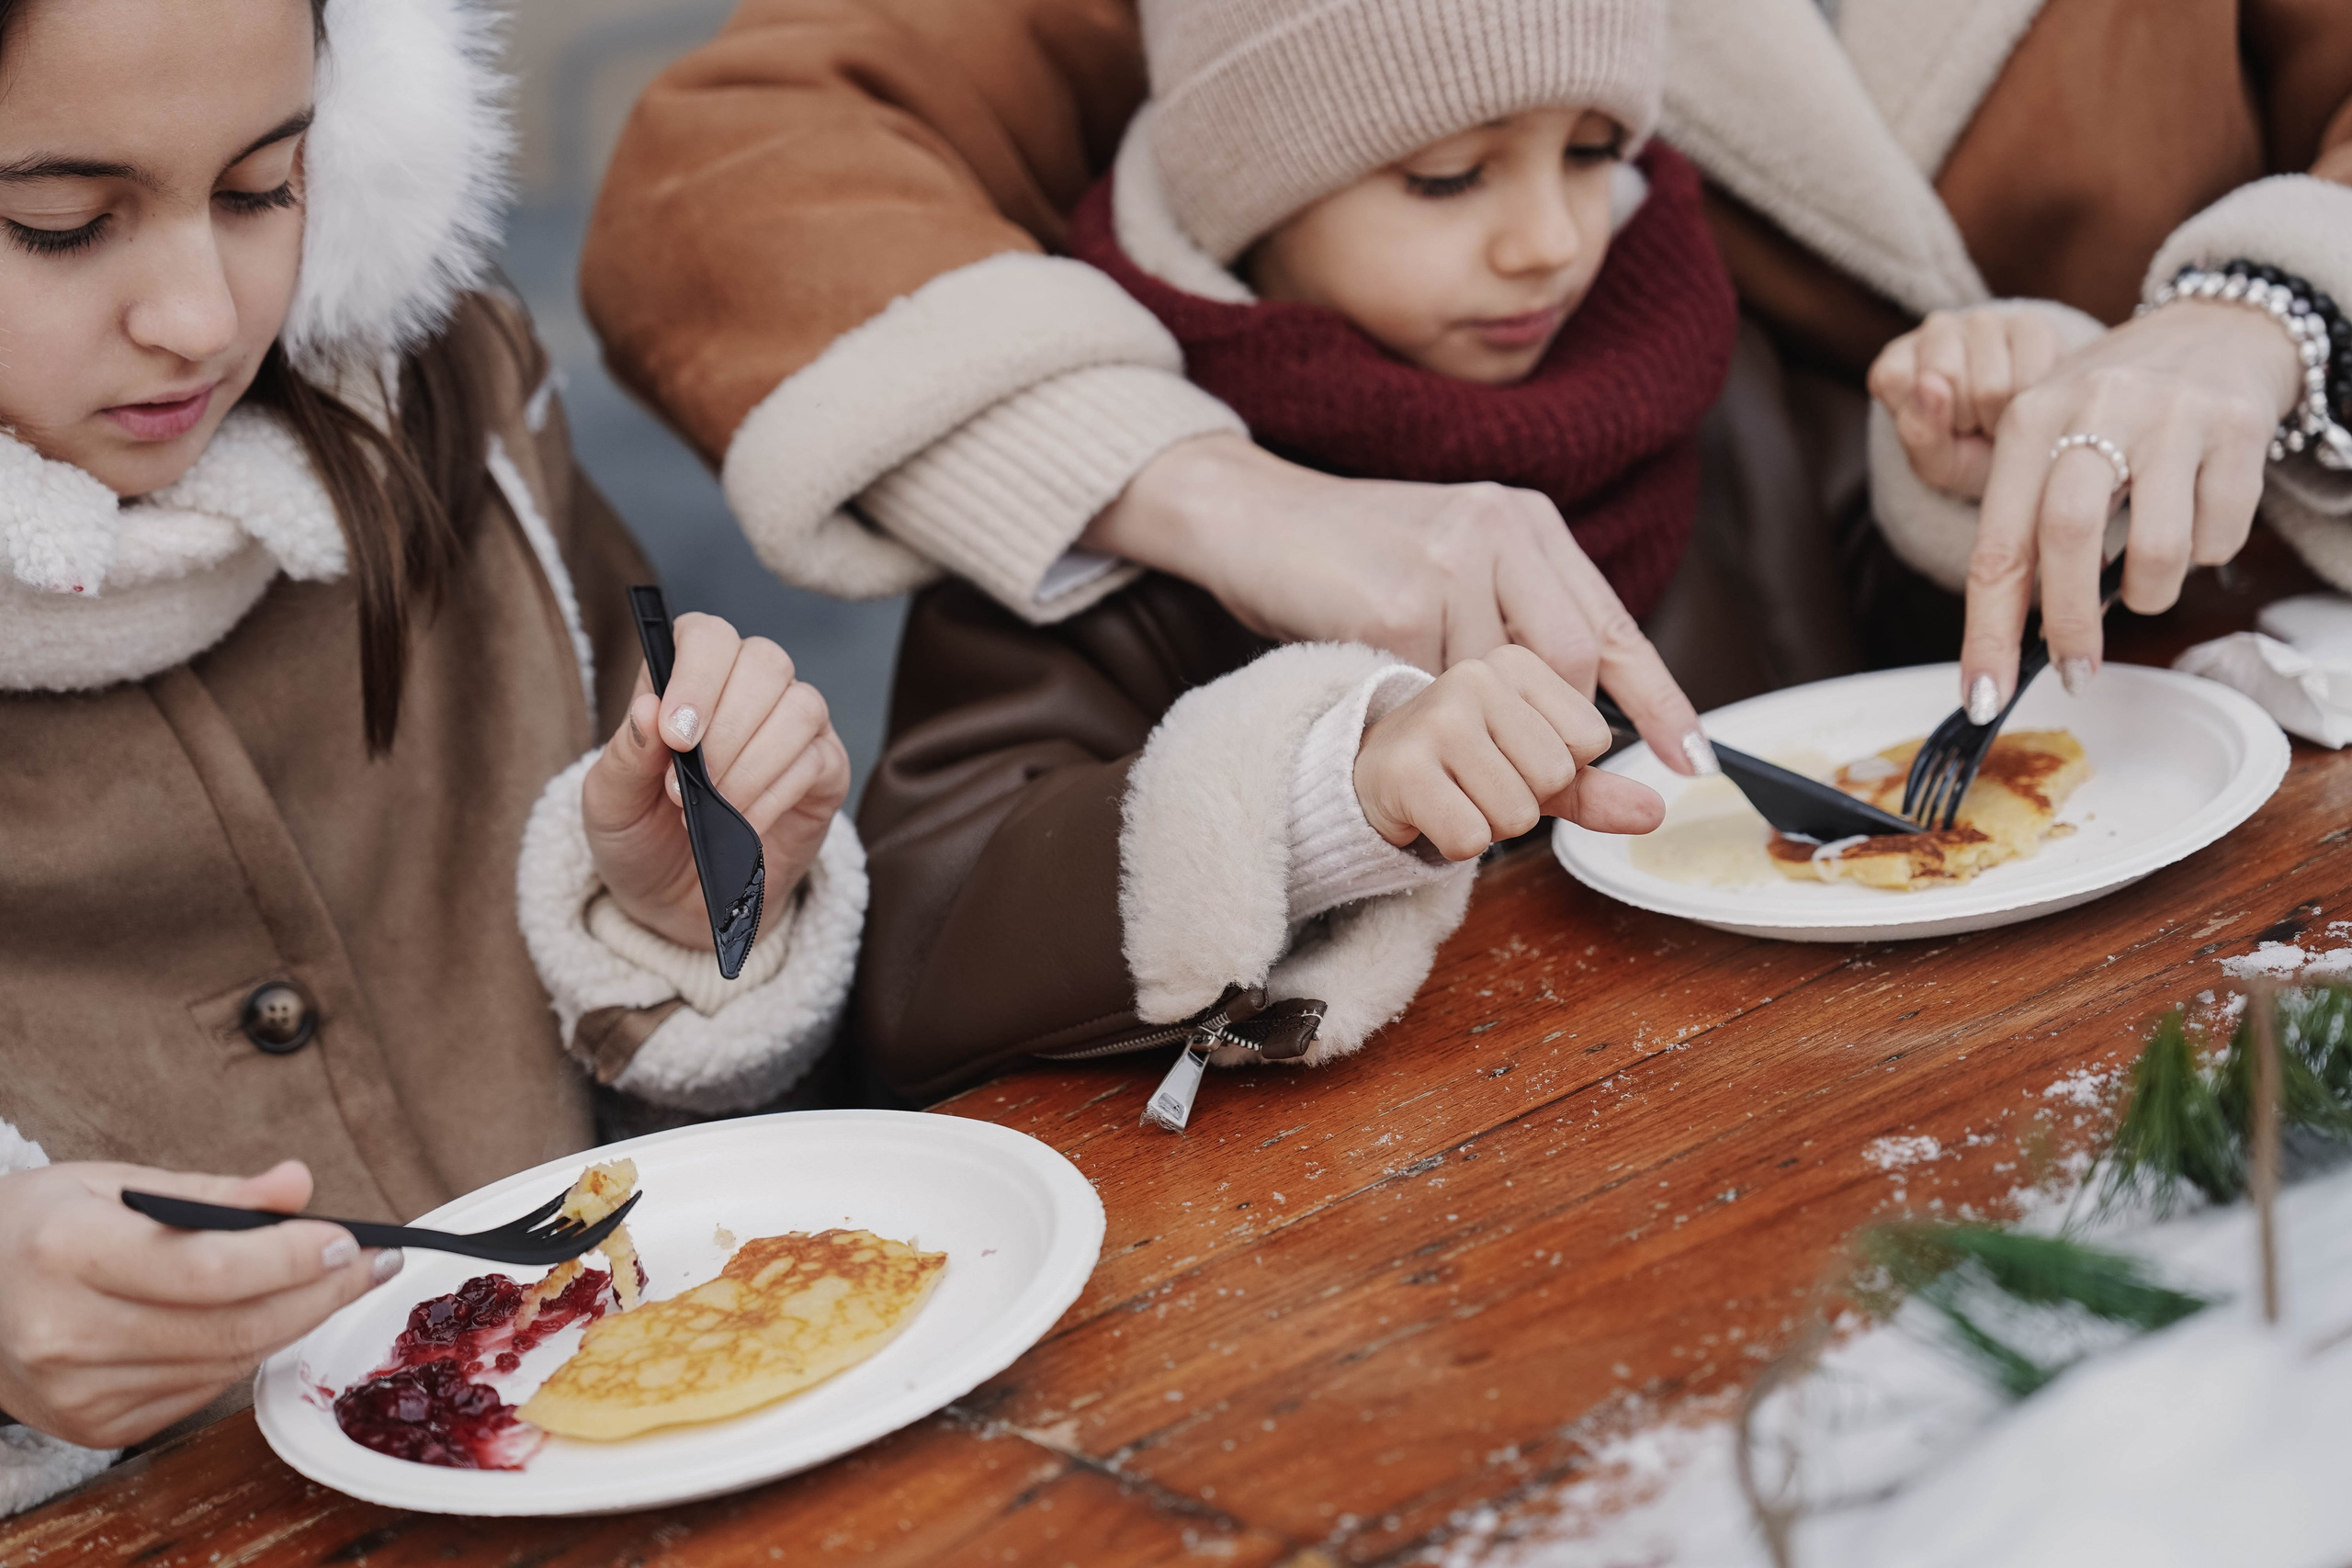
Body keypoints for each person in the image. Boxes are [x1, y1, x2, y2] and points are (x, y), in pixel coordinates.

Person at [0, 0, 862, 1513]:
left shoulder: (451, 407)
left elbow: (713, 1165)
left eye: (267, 186)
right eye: (61, 225)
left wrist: (681, 927)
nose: (199, 314)